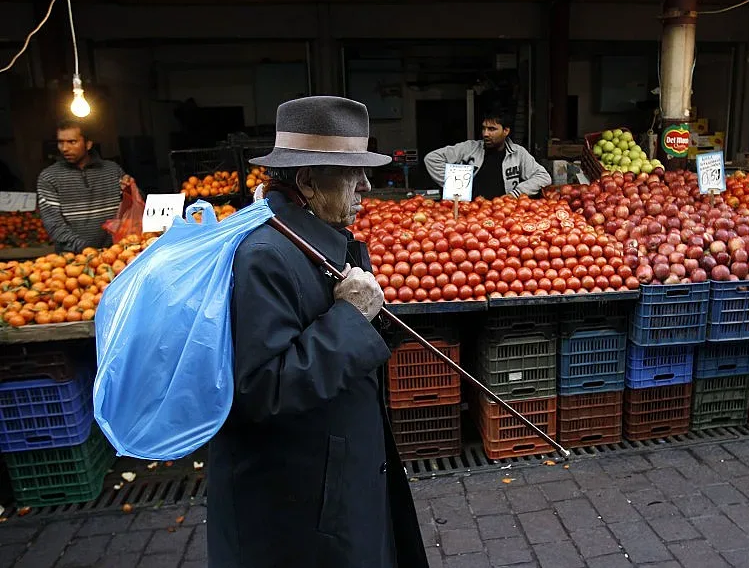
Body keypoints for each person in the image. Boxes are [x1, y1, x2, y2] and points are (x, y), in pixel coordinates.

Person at [207, 96, 427, 568]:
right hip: (299, 503)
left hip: (330, 478)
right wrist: (350, 317)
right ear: (306, 181)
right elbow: (261, 389)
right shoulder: (266, 255)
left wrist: (376, 323)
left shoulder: (315, 240)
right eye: (352, 173)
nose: (367, 185)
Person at [36, 120, 134, 252]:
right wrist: (88, 251)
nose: (64, 148)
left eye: (72, 142)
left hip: (116, 255)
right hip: (73, 263)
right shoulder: (49, 178)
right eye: (61, 142)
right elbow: (54, 225)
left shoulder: (112, 170)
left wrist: (130, 189)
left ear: (88, 144)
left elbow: (133, 210)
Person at [424, 109, 551, 199]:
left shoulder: (518, 153)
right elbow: (431, 159)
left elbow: (543, 177)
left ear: (506, 131)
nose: (485, 134)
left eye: (492, 129)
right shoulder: (468, 148)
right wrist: (453, 185)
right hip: (469, 213)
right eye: (484, 128)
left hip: (504, 215)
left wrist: (516, 194)